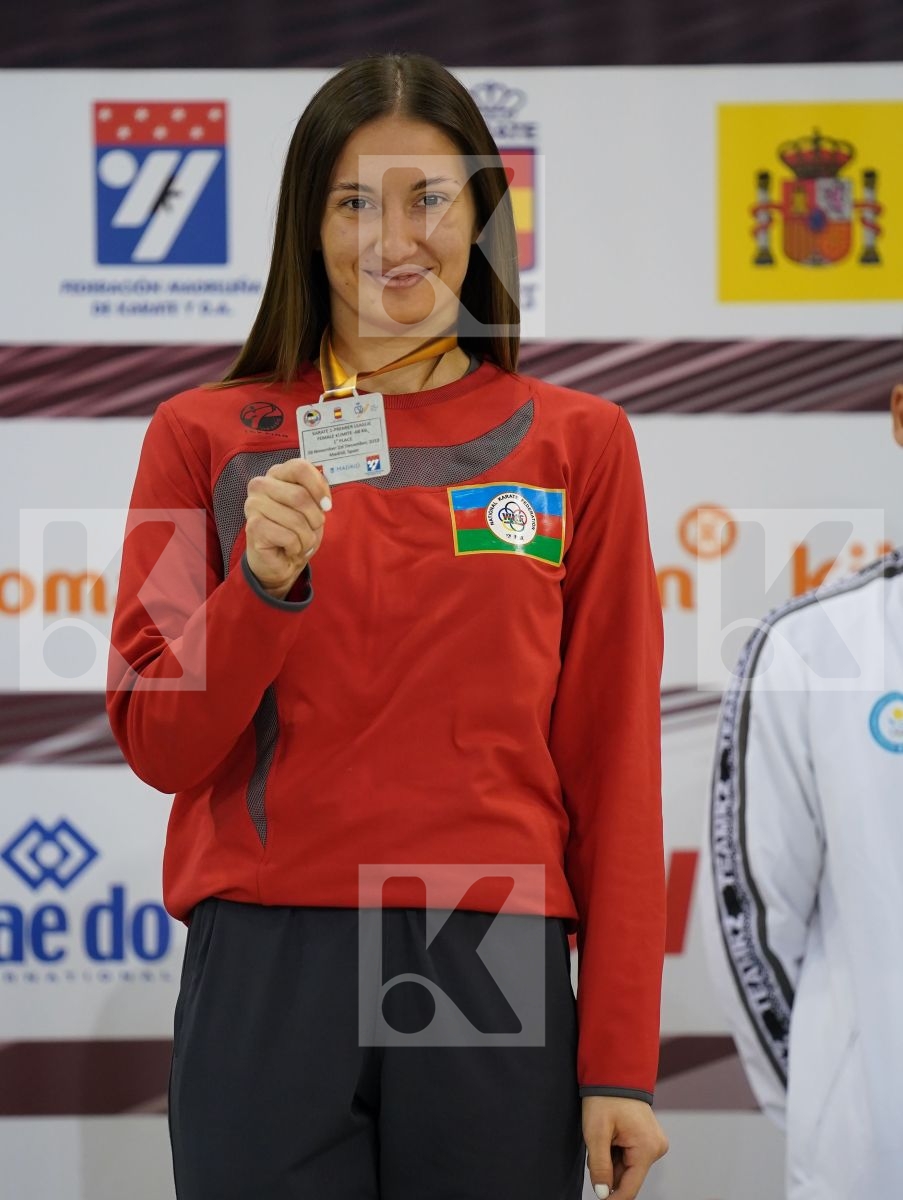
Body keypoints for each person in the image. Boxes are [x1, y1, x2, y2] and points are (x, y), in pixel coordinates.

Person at [106, 52, 668, 1200]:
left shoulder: (578, 443)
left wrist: (620, 1060)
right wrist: (257, 588)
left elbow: (613, 762)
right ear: (306, 223)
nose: (392, 237)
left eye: (427, 198)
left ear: (482, 216)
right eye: (354, 200)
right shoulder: (201, 439)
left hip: (483, 935)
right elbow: (158, 740)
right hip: (268, 952)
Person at [702, 382, 903, 1200]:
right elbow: (750, 919)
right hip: (871, 1161)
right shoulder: (812, 648)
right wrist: (839, 1092)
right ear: (899, 417)